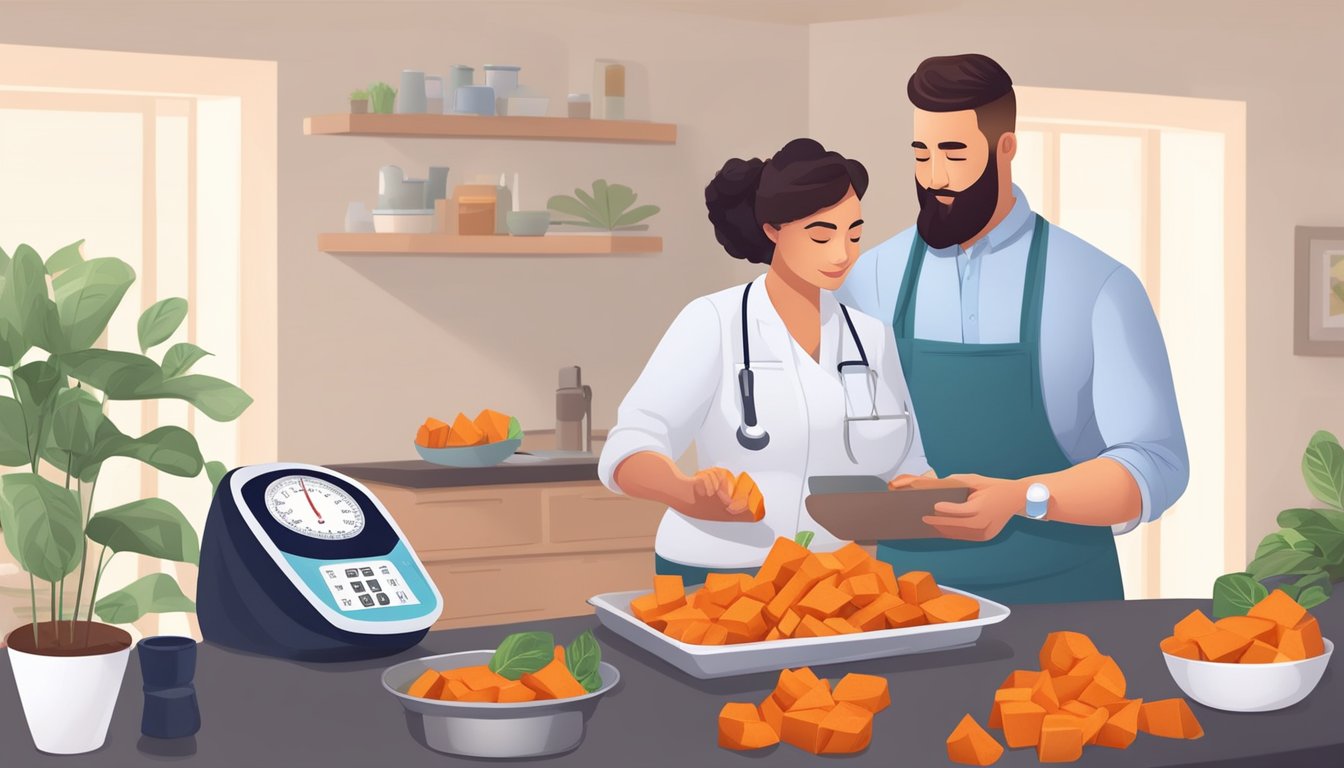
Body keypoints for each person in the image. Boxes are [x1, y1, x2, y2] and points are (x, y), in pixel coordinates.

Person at [836, 53, 1189, 604]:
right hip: (905, 604)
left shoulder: (1098, 285)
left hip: (1067, 602)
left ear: (1005, 148)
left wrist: (1025, 498)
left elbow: (1157, 464)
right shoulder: (868, 279)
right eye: (921, 153)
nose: (933, 177)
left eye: (954, 153)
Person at [598, 138, 929, 585]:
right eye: (821, 234)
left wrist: (930, 492)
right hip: (719, 570)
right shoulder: (714, 320)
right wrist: (686, 492)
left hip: (833, 576)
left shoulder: (871, 338)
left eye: (854, 234)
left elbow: (906, 465)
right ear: (773, 229)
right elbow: (629, 447)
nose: (841, 253)